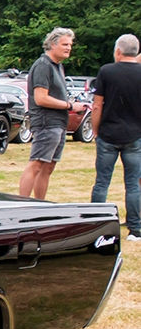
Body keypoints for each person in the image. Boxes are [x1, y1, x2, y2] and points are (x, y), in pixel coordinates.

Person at [89, 33, 141, 241]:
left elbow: (97, 104)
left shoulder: (107, 72)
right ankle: (136, 229)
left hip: (109, 134)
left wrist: (95, 130)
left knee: (102, 181)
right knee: (133, 184)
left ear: (117, 52)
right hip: (135, 135)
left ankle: (95, 225)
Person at [18, 27, 77, 199]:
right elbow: (40, 98)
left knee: (48, 166)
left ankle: (40, 205)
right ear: (52, 44)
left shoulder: (58, 66)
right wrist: (69, 105)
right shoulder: (43, 65)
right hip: (46, 122)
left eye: (70, 45)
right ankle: (22, 204)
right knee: (36, 163)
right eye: (65, 44)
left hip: (58, 123)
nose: (68, 48)